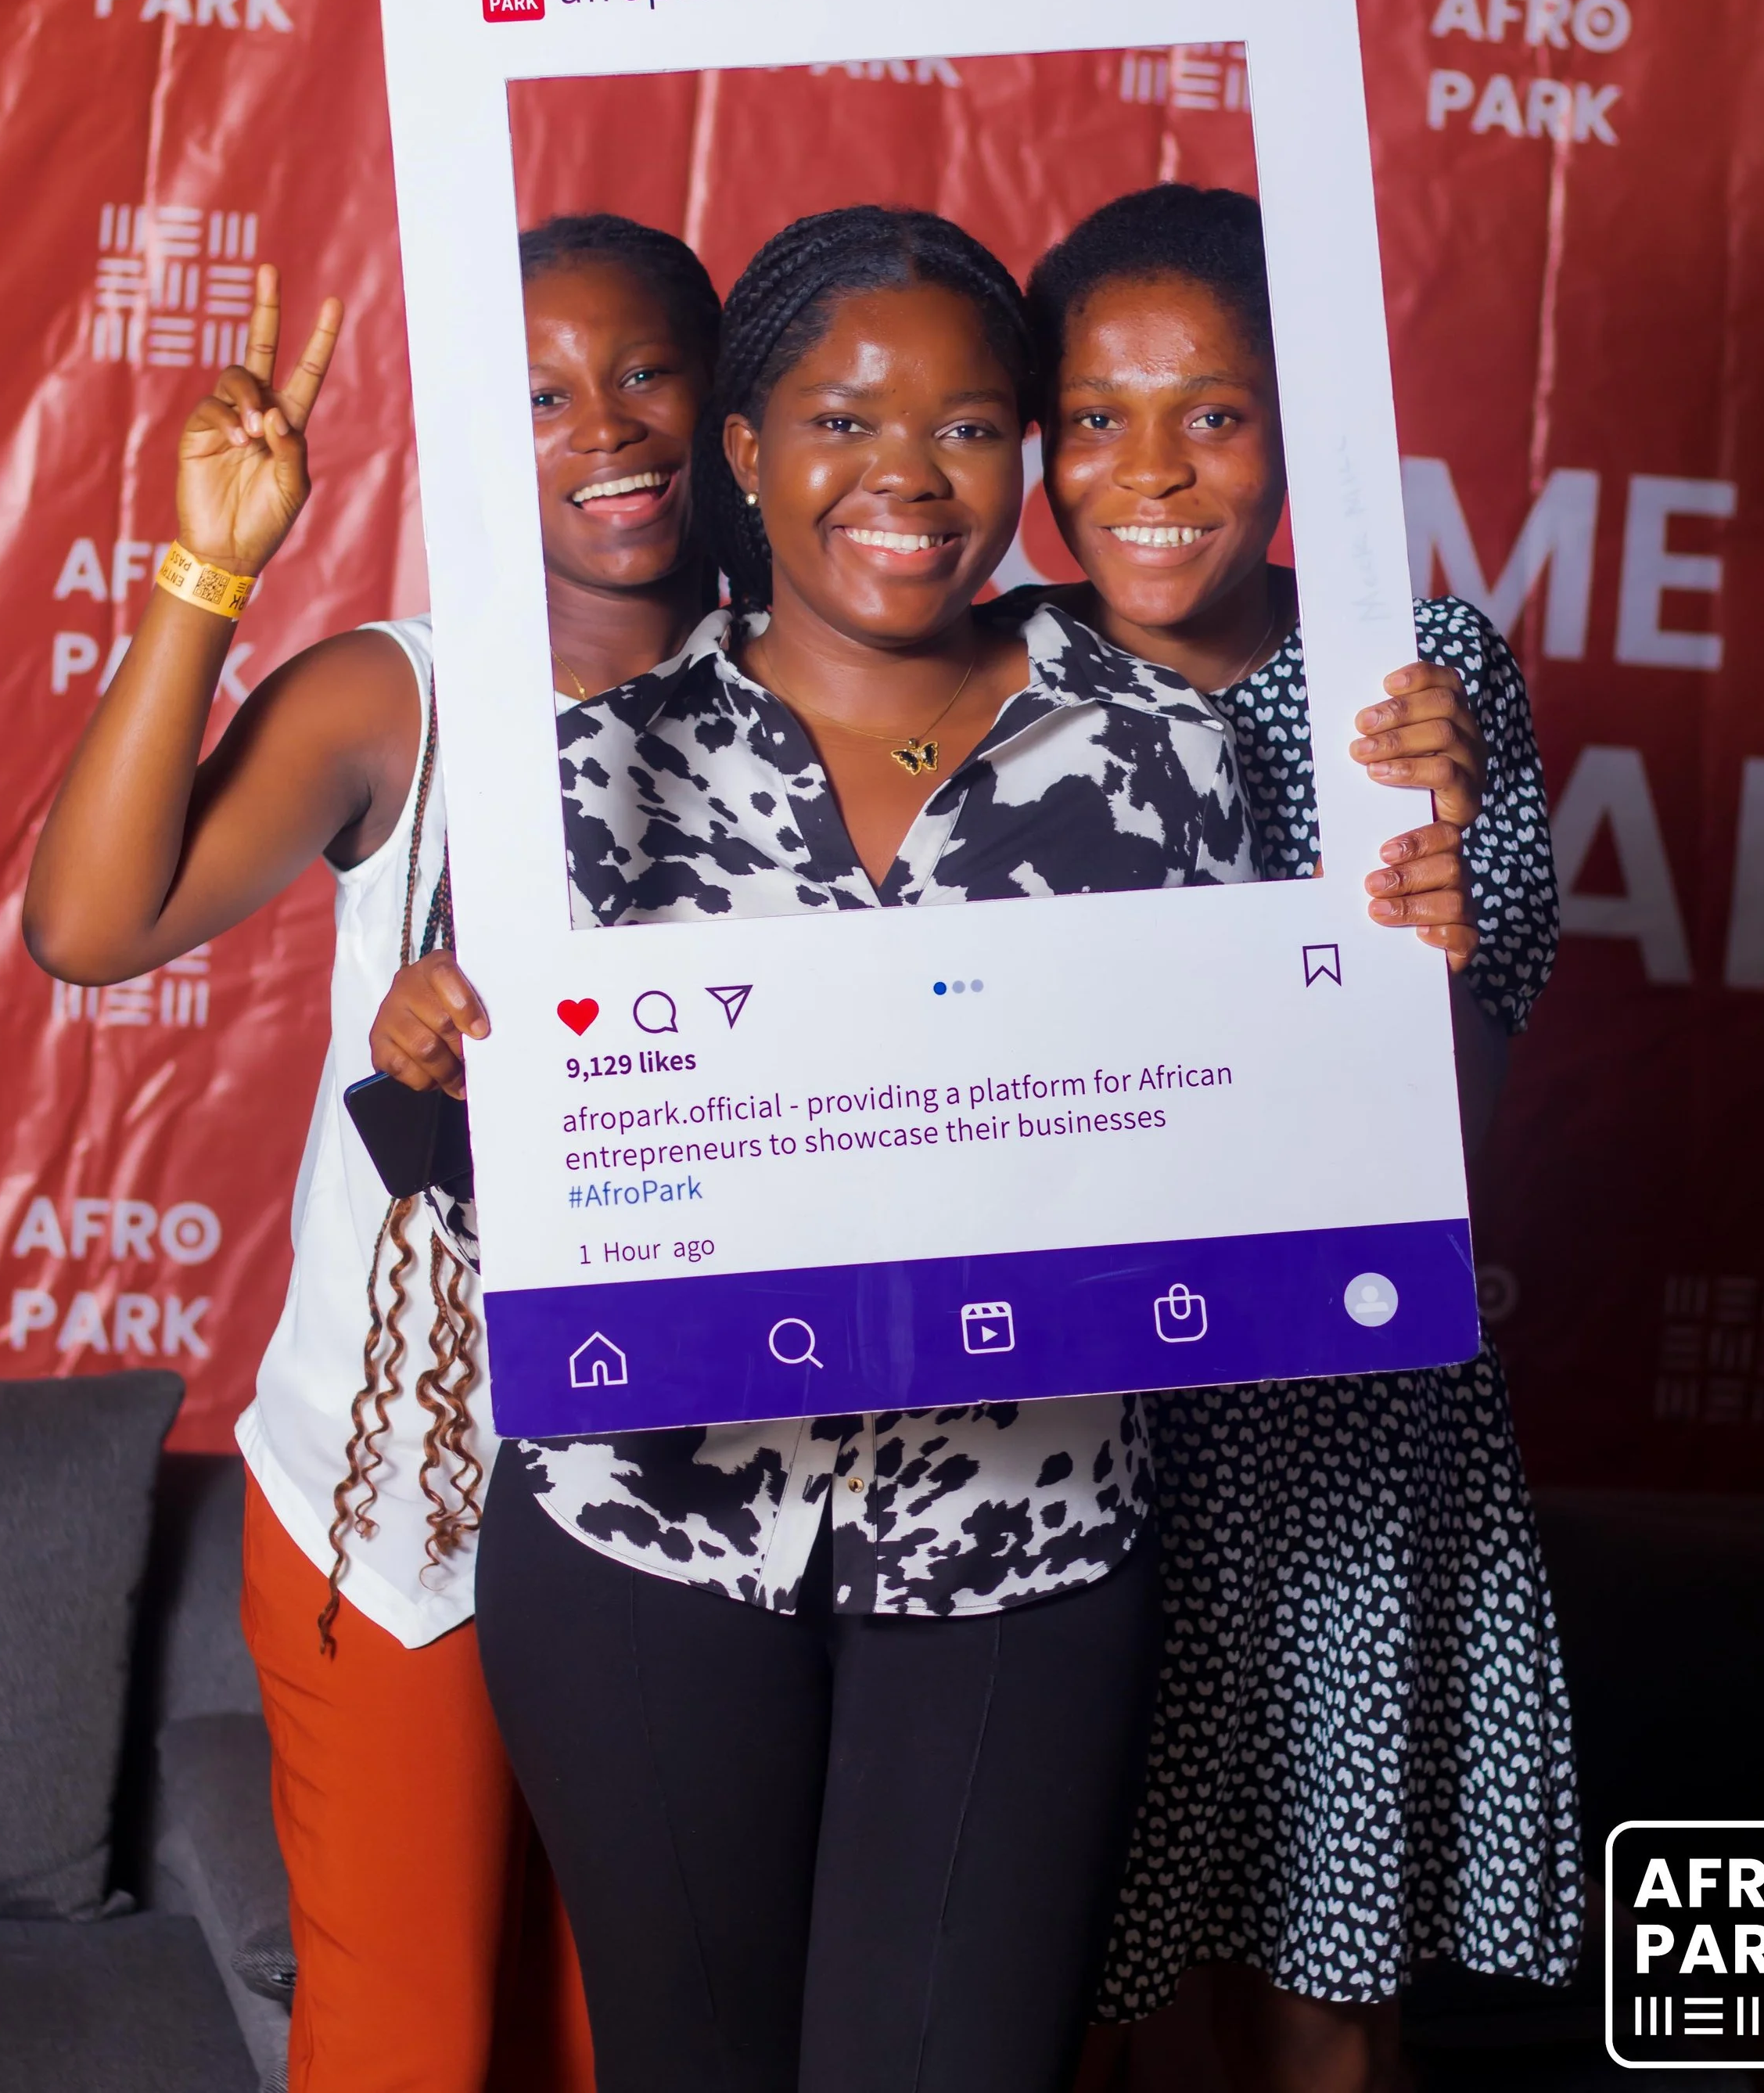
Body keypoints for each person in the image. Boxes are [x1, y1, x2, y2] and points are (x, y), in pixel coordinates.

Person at [368, 203, 1270, 2093]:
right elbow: (483, 1204)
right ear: (746, 456)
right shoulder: (584, 781)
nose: (907, 478)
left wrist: (1394, 930)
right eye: (843, 422)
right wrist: (442, 1070)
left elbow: (1282, 1140)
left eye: (965, 426)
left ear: (1021, 459)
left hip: (1013, 1549)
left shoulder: (1167, 763)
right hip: (643, 1546)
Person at [22, 213, 721, 2093]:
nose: (606, 428)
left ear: (728, 398)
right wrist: (206, 569)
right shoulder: (398, 698)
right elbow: (89, 927)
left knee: (622, 2042)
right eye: (542, 395)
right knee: (411, 2045)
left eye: (646, 371)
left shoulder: (831, 690)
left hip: (704, 1503)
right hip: (405, 1508)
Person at [1026, 184, 1582, 2093]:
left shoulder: (1411, 681)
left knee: (1318, 1996)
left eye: (1214, 410)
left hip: (1330, 1423)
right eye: (1093, 416)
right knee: (1067, 1973)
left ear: (1303, 430)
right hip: (1055, 1428)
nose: (1149, 471)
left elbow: (1461, 1128)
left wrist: (1424, 922)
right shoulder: (981, 669)